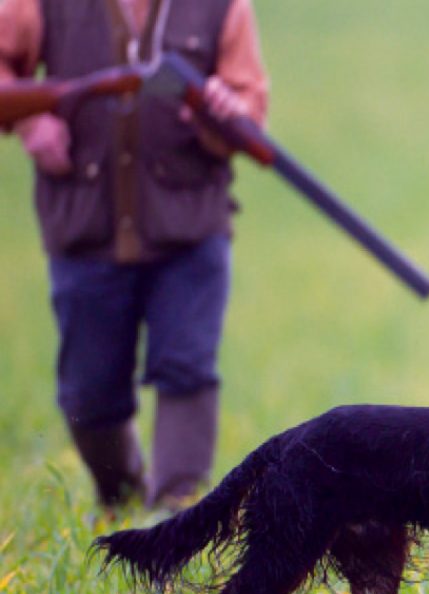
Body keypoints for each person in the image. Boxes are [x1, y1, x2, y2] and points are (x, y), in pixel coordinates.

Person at [0, 0, 268, 513]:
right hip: (86, 229)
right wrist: (34, 125)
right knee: (90, 395)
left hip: (190, 229)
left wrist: (221, 113)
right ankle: (121, 498)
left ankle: (176, 510)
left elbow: (249, 104)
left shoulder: (223, 7)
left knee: (187, 366)